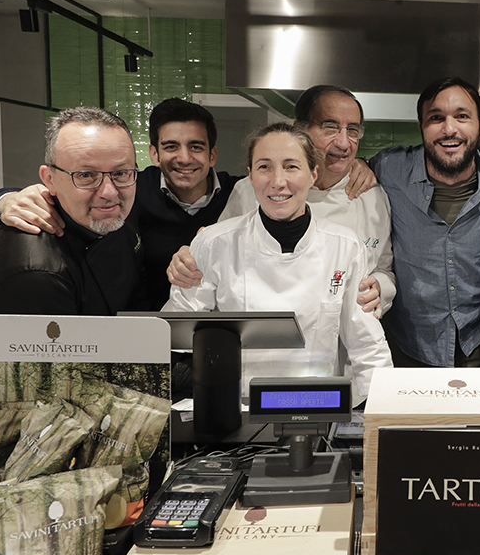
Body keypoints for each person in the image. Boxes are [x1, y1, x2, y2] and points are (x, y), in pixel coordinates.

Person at [162, 122, 392, 405]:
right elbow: (174, 334)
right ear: (249, 176)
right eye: (264, 167)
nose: (278, 181)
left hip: (316, 405)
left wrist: (381, 417)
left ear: (313, 174)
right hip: (237, 408)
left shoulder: (344, 245)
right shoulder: (214, 242)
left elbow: (366, 344)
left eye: (291, 166)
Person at [0, 98, 241, 309]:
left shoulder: (240, 195)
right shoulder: (135, 187)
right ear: (154, 154)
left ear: (212, 155)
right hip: (147, 330)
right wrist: (2, 201)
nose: (109, 192)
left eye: (196, 147)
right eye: (171, 146)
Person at [182, 85, 394, 315]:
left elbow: (384, 268)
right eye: (330, 127)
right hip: (259, 332)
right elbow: (216, 261)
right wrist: (189, 265)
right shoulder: (254, 190)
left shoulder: (372, 196)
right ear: (300, 129)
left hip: (338, 341)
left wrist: (380, 286)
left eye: (352, 130)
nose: (343, 143)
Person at [370, 77, 480, 368]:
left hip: (478, 344)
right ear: (421, 126)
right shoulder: (389, 169)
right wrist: (359, 166)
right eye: (436, 118)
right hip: (404, 346)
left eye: (462, 116)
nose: (449, 129)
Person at [0, 107, 146, 315]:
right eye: (86, 175)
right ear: (49, 179)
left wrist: (0, 199)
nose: (109, 192)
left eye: (120, 172)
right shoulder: (35, 273)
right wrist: (2, 202)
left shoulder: (117, 206)